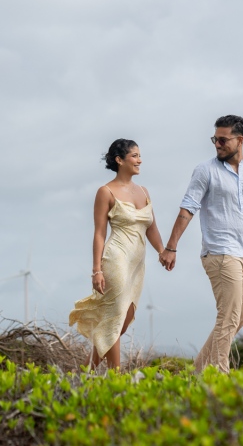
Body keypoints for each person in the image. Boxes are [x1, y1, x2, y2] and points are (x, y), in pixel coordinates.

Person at [159, 115, 243, 374]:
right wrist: (171, 247)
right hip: (219, 253)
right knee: (227, 318)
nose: (217, 144)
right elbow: (188, 207)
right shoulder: (205, 170)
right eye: (215, 139)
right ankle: (219, 377)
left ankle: (197, 371)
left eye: (222, 140)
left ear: (240, 140)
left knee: (238, 319)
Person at [69, 139, 168, 370]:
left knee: (121, 324)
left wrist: (162, 251)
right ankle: (117, 376)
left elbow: (151, 227)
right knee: (113, 320)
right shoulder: (105, 192)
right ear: (119, 160)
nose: (139, 160)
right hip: (117, 259)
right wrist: (96, 270)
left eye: (139, 155)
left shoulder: (144, 191)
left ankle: (83, 374)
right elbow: (99, 233)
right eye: (134, 156)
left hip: (137, 265)